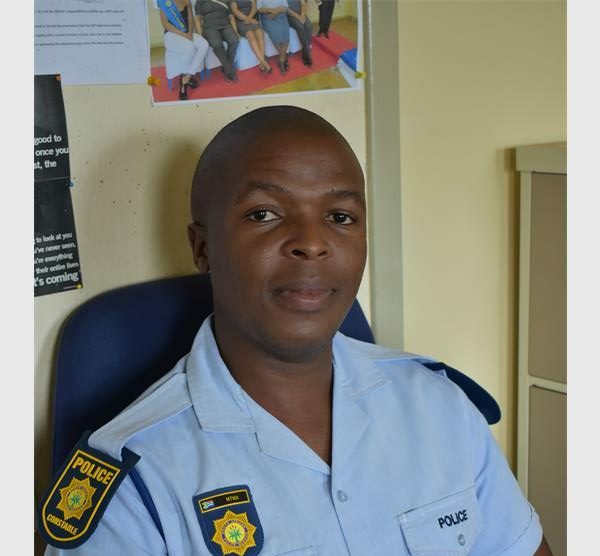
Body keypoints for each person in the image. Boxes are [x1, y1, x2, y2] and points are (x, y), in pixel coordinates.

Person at [39, 106, 553, 556]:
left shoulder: (438, 408)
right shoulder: (137, 481)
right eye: (264, 214)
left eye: (340, 216)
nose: (312, 242)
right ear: (203, 248)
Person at [158, 0, 210, 100]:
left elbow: (190, 20)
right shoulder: (165, 2)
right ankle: (183, 85)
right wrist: (184, 35)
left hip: (186, 32)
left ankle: (187, 76)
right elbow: (165, 24)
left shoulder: (186, 1)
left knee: (204, 44)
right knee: (189, 47)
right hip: (172, 35)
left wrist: (189, 32)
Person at [194, 0, 239, 83]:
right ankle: (229, 71)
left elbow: (231, 16)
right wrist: (200, 36)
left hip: (226, 25)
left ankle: (226, 66)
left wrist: (236, 32)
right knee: (217, 45)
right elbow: (197, 18)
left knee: (234, 41)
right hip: (209, 27)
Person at [230, 0, 272, 74]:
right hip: (241, 21)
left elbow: (254, 8)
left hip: (251, 19)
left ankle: (262, 63)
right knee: (250, 35)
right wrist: (248, 19)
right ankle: (264, 62)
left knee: (260, 33)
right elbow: (236, 12)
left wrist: (250, 19)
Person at [257, 0, 290, 74]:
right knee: (275, 37)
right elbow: (260, 9)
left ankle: (281, 60)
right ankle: (283, 59)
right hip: (268, 17)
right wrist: (271, 10)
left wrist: (276, 12)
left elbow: (285, 7)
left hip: (281, 16)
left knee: (286, 38)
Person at [286, 0, 312, 66]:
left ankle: (305, 51)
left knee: (309, 26)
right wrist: (298, 17)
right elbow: (286, 9)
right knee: (300, 27)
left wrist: (302, 15)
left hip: (301, 13)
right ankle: (307, 55)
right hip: (291, 16)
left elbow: (303, 4)